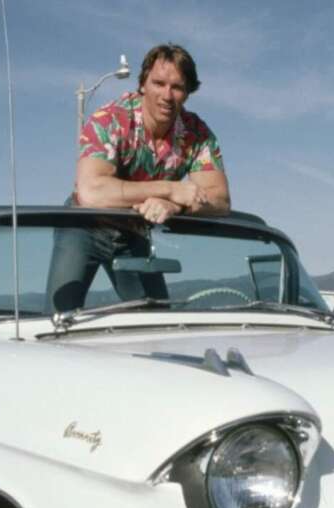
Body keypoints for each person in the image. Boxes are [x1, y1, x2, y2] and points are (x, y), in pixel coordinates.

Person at [45, 44, 231, 313]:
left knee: (157, 318)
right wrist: (170, 189)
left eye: (177, 87)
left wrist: (175, 205)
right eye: (158, 83)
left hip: (134, 230)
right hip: (82, 224)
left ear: (188, 93)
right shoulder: (108, 120)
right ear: (143, 84)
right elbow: (92, 191)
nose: (167, 95)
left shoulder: (197, 134)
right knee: (57, 316)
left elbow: (220, 199)